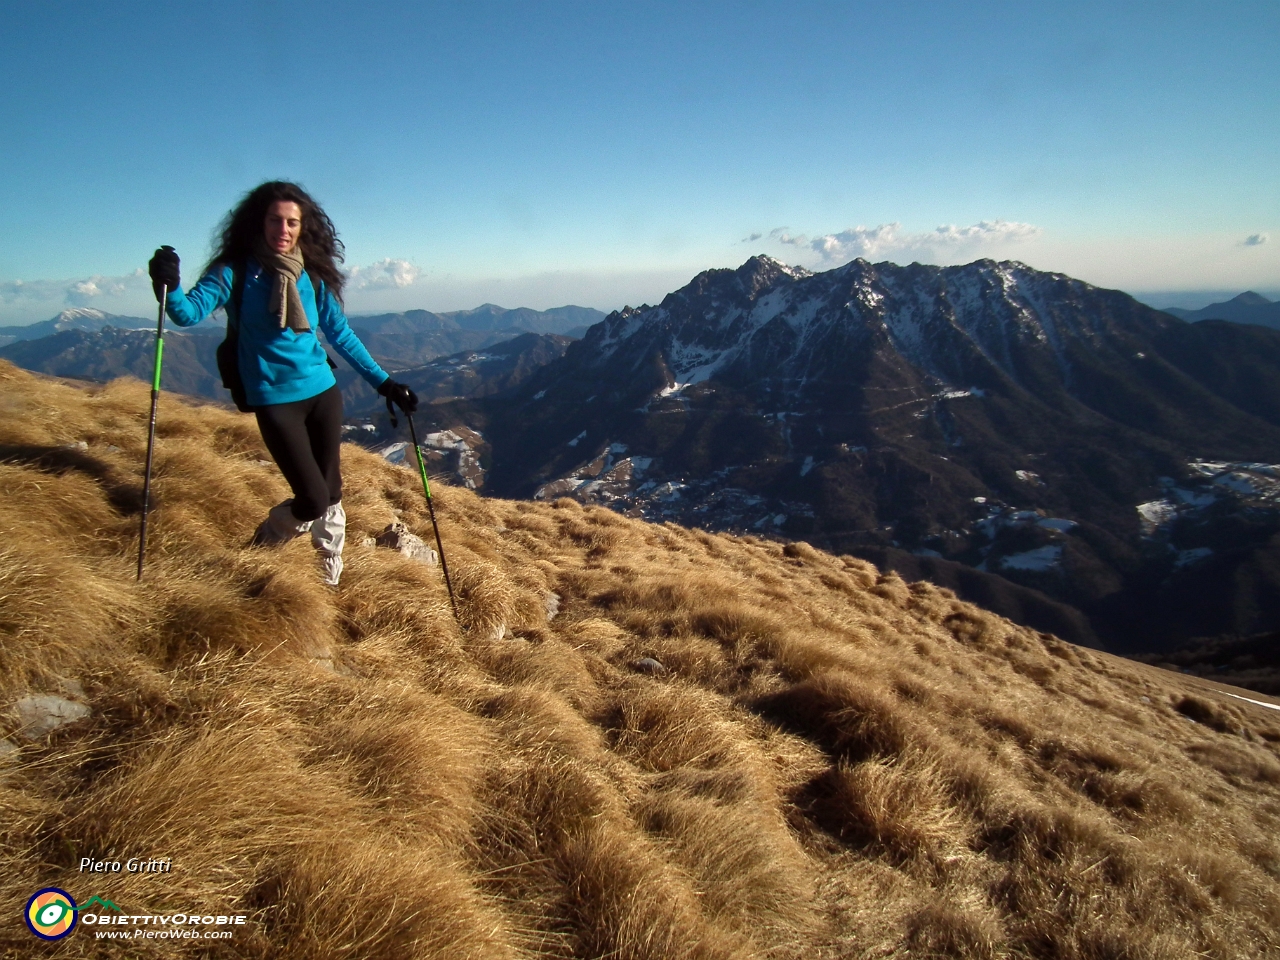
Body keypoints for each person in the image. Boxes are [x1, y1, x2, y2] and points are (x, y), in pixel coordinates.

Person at [147, 180, 418, 586]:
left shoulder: (311, 273)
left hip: (323, 393)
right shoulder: (235, 272)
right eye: (275, 220)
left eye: (292, 222)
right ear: (259, 222)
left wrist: (385, 384)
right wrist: (167, 286)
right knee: (311, 497)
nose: (284, 229)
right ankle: (261, 549)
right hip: (275, 399)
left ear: (302, 227)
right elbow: (187, 314)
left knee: (332, 489)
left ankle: (328, 573)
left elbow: (339, 333)